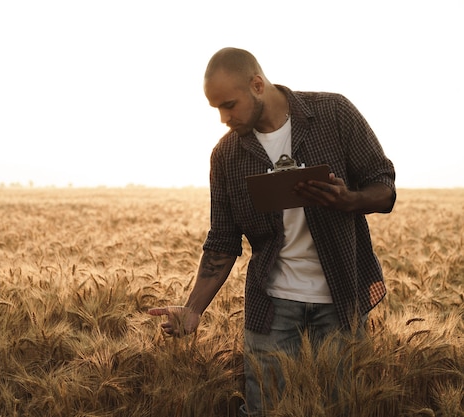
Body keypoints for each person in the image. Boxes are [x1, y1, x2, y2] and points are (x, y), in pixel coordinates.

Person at [148, 47, 396, 415]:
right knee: (264, 408)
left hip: (342, 299)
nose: (223, 117)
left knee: (345, 407)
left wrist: (349, 199)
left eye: (229, 105)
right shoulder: (226, 155)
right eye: (216, 108)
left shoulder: (333, 114)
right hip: (272, 306)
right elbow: (222, 242)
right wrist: (192, 309)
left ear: (257, 85)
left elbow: (385, 188)